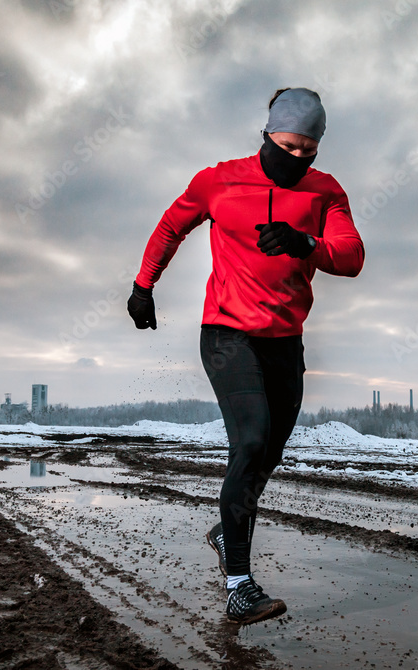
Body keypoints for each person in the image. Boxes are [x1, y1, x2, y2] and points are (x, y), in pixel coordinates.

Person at [127, 87, 364, 625]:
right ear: (267, 135)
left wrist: (307, 243)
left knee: (267, 455)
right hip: (227, 333)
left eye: (310, 150)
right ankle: (238, 584)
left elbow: (351, 257)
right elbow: (170, 227)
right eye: (289, 146)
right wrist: (144, 287)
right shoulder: (218, 181)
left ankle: (224, 530)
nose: (298, 159)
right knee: (251, 438)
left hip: (286, 341)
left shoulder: (326, 193)